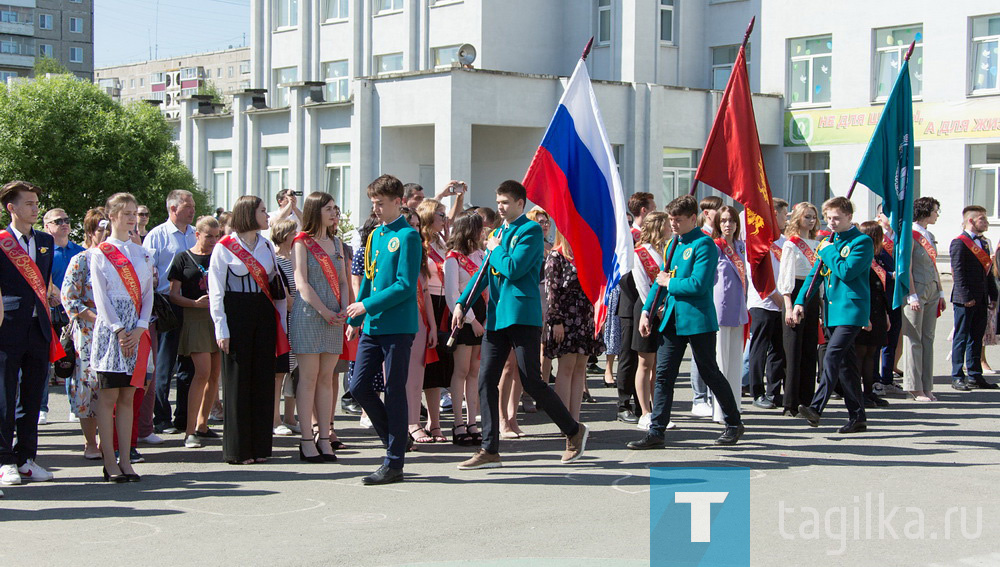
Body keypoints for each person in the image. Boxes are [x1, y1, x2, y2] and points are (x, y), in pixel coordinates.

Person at [452, 180, 589, 469]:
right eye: (498, 201)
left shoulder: (530, 231)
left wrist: (494, 248)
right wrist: (462, 303)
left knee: (532, 381)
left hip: (522, 316)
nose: (500, 207)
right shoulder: (498, 233)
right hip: (497, 318)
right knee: (486, 380)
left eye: (505, 202)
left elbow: (513, 269)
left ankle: (573, 431)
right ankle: (490, 448)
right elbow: (483, 275)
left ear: (520, 204)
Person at [627, 195, 744, 450]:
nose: (674, 224)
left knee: (709, 372)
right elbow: (660, 281)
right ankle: (656, 430)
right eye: (671, 219)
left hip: (697, 319)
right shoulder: (672, 245)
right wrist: (646, 311)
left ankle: (734, 422)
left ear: (693, 218)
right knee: (664, 376)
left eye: (678, 220)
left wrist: (671, 283)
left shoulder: (705, 245)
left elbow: (699, 284)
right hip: (671, 319)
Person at [345, 175, 422, 485]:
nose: (375, 209)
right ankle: (397, 438)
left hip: (398, 325)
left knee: (394, 391)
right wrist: (355, 317)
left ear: (397, 202)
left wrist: (367, 306)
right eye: (373, 203)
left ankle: (394, 462)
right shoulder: (376, 235)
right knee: (359, 386)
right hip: (373, 324)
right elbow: (369, 277)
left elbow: (405, 285)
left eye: (380, 203)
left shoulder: (408, 236)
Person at [209, 195, 287, 464]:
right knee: (238, 381)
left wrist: (282, 325)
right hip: (236, 313)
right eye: (263, 211)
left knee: (263, 380)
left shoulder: (266, 245)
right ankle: (239, 449)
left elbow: (277, 289)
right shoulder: (224, 247)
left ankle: (261, 447)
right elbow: (216, 292)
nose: (267, 216)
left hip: (263, 314)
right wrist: (221, 328)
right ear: (248, 214)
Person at [791, 197, 872, 433]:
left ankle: (817, 407)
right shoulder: (828, 241)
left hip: (852, 310)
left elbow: (846, 272)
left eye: (837, 218)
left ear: (849, 217)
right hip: (832, 311)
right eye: (829, 218)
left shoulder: (861, 241)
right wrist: (800, 301)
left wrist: (828, 252)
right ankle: (858, 416)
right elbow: (815, 275)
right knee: (846, 366)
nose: (832, 222)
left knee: (831, 356)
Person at [90, 192, 155, 482]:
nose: (132, 217)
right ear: (112, 215)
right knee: (109, 396)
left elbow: (148, 293)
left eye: (134, 212)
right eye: (126, 212)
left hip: (137, 327)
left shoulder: (142, 252)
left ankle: (126, 458)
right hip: (111, 329)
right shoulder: (101, 252)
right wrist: (118, 329)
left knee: (128, 396)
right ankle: (109, 461)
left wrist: (141, 327)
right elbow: (100, 296)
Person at [0, 181, 59, 486]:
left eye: (37, 203)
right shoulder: (1, 241)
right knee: (5, 396)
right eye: (28, 204)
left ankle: (26, 458)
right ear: (11, 208)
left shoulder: (46, 241)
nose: (35, 209)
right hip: (7, 327)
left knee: (33, 397)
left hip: (38, 328)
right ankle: (4, 459)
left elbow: (44, 285)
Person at [291, 192, 350, 462]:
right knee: (309, 378)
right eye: (328, 208)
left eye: (334, 208)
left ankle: (324, 437)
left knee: (328, 379)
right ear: (315, 211)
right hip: (310, 314)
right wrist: (325, 311)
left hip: (335, 317)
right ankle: (306, 439)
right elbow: (301, 283)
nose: (334, 212)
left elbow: (344, 281)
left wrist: (345, 310)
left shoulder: (337, 242)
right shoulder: (301, 242)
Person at [168, 216, 224, 449]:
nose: (213, 240)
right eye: (209, 235)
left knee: (214, 376)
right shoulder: (182, 258)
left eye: (217, 235)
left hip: (218, 317)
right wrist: (194, 304)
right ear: (197, 234)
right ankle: (189, 430)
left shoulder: (220, 255)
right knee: (201, 372)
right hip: (195, 318)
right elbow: (172, 294)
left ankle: (202, 425)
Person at [144, 189, 197, 435]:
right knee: (164, 362)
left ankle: (184, 416)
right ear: (173, 208)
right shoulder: (157, 236)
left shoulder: (196, 234)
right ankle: (161, 416)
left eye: (193, 205)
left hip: (194, 303)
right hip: (167, 302)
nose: (192, 210)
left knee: (191, 361)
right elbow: (147, 272)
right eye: (188, 206)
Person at [61, 209, 109, 459]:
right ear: (91, 233)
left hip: (116, 334)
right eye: (101, 230)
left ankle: (109, 441)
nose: (106, 234)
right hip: (89, 334)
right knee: (87, 388)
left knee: (111, 388)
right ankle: (90, 442)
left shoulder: (118, 259)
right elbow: (69, 298)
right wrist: (99, 319)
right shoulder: (81, 259)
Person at [444, 211, 487, 445]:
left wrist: (487, 319)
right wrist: (473, 321)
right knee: (460, 372)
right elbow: (453, 296)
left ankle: (473, 421)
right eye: (480, 228)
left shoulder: (482, 255)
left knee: (474, 372)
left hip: (483, 318)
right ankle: (458, 423)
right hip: (464, 321)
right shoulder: (453, 258)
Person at [416, 198, 457, 437]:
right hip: (427, 302)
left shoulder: (442, 241)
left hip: (445, 304)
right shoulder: (421, 243)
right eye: (441, 215)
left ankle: (436, 423)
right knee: (428, 364)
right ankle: (420, 421)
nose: (445, 218)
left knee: (442, 365)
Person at [614, 192, 656, 425]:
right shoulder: (630, 237)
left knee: (645, 357)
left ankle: (644, 405)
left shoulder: (648, 238)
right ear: (643, 211)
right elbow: (624, 274)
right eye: (652, 207)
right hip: (631, 303)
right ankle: (623, 403)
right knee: (628, 356)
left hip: (645, 304)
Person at [402, 207, 441, 445]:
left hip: (419, 320)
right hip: (397, 319)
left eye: (417, 224)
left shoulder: (419, 251)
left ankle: (415, 421)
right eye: (411, 224)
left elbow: (425, 292)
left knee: (417, 374)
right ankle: (403, 422)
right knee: (398, 375)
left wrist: (433, 326)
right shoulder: (391, 247)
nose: (415, 229)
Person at [778, 202, 821, 417]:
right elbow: (785, 277)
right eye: (807, 217)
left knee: (809, 351)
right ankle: (790, 403)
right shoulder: (791, 244)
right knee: (793, 351)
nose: (811, 220)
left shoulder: (818, 244)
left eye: (813, 216)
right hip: (794, 295)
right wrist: (787, 306)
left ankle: (807, 400)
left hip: (812, 297)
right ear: (798, 219)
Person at [949, 205, 998, 391]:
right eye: (982, 219)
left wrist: (993, 295)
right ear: (971, 220)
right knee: (961, 337)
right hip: (965, 298)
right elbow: (958, 272)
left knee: (977, 338)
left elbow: (988, 273)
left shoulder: (984, 243)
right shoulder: (959, 242)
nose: (986, 223)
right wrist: (965, 296)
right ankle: (957, 376)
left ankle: (975, 375)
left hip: (982, 297)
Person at [42, 207, 83, 424]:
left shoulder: (78, 250)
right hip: (48, 312)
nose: (64, 224)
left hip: (72, 315)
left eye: (66, 220)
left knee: (70, 359)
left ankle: (73, 405)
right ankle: (42, 408)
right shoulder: (43, 250)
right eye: (58, 221)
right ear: (47, 226)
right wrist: (52, 292)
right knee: (43, 360)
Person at [631, 212, 671, 431]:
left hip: (664, 310)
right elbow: (642, 287)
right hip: (648, 311)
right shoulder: (640, 253)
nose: (670, 227)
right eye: (666, 224)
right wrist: (654, 310)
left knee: (659, 364)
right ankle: (645, 412)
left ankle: (658, 410)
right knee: (645, 363)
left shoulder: (666, 250)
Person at [903, 197, 945, 399]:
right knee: (913, 339)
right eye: (936, 210)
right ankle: (913, 385)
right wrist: (911, 294)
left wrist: (942, 292)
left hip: (932, 289)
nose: (937, 214)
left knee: (928, 338)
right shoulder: (910, 234)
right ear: (926, 211)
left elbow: (934, 264)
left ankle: (927, 385)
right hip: (916, 290)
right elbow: (907, 267)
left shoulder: (929, 234)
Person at [747, 199, 788, 410]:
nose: (786, 219)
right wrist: (775, 296)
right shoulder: (758, 241)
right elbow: (756, 275)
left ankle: (774, 391)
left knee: (778, 350)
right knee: (759, 349)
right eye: (783, 215)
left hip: (782, 304)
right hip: (762, 302)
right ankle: (757, 392)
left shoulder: (784, 242)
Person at [710, 206, 748, 425]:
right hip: (721, 309)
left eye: (731, 221)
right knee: (721, 361)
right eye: (723, 221)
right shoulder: (715, 247)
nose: (728, 225)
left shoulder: (741, 247)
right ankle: (719, 410)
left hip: (739, 309)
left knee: (735, 360)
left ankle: (735, 406)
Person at [688, 197, 723, 416]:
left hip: (721, 300)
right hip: (702, 301)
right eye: (719, 212)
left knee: (714, 354)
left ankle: (713, 397)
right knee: (700, 354)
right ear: (708, 213)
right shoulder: (700, 238)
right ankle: (699, 397)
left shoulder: (723, 238)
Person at [855, 221, 891, 408]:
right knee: (861, 354)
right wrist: (864, 315)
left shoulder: (875, 260)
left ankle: (869, 392)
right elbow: (862, 290)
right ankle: (859, 394)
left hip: (877, 310)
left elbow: (879, 290)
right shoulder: (862, 259)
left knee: (872, 354)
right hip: (865, 312)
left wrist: (885, 314)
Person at [270, 219, 301, 435]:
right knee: (279, 373)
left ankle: (290, 417)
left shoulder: (298, 259)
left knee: (296, 372)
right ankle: (275, 419)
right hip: (285, 322)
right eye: (293, 233)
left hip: (300, 321)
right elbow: (285, 296)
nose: (296, 237)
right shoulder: (275, 260)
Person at [873, 206, 905, 396]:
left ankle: (887, 378)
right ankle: (875, 379)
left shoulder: (901, 236)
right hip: (880, 293)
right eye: (888, 214)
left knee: (892, 338)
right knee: (878, 339)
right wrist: (889, 274)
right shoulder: (873, 234)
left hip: (896, 294)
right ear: (879, 216)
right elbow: (871, 263)